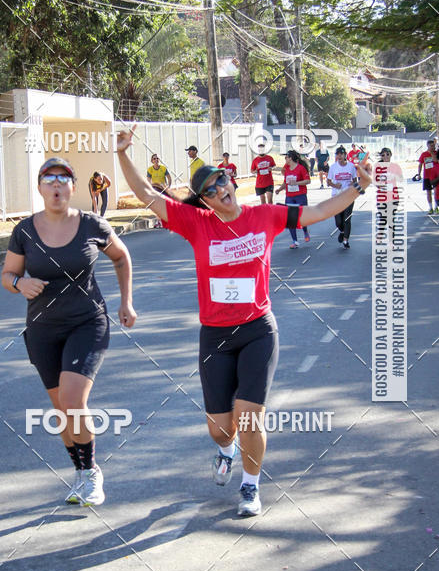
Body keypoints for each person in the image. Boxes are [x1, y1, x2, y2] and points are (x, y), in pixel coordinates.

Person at [116, 127, 371, 517]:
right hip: (215, 336)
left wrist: (358, 186)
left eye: (222, 179)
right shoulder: (196, 224)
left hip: (257, 330)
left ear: (231, 180)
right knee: (221, 427)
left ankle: (250, 486)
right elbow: (149, 195)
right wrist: (122, 154)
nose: (221, 189)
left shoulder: (265, 216)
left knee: (250, 415)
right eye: (211, 189)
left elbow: (319, 212)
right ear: (204, 201)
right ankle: (225, 450)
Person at [2, 157, 136, 507]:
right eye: (49, 179)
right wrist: (21, 283)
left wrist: (126, 302)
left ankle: (92, 473)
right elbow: (7, 276)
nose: (56, 185)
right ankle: (79, 473)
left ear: (74, 187)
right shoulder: (24, 231)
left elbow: (121, 257)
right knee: (62, 408)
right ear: (40, 187)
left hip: (87, 322)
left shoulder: (92, 224)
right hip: (43, 329)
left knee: (74, 401)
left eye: (63, 178)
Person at [275, 149, 311, 247]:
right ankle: (295, 241)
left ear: (290, 158)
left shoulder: (301, 168)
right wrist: (279, 189)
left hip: (300, 196)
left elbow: (308, 181)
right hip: (290, 197)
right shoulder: (287, 169)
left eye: (286, 157)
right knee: (290, 219)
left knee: (302, 217)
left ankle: (305, 231)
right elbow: (285, 182)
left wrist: (296, 183)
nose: (285, 159)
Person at [327, 146, 359, 248]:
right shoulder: (333, 167)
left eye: (341, 154)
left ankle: (346, 240)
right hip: (336, 197)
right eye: (337, 154)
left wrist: (352, 183)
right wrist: (335, 185)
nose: (339, 156)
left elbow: (355, 180)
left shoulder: (351, 166)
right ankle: (341, 231)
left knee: (347, 219)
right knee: (338, 222)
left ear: (345, 155)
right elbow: (328, 182)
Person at [415, 139, 438, 214]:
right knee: (429, 192)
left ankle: (436, 207)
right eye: (431, 146)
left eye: (433, 145)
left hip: (435, 176)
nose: (432, 147)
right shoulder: (424, 154)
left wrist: (432, 153)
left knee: (436, 191)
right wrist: (419, 174)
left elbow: (436, 161)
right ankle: (430, 207)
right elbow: (420, 164)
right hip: (427, 176)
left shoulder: (436, 153)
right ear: (427, 146)